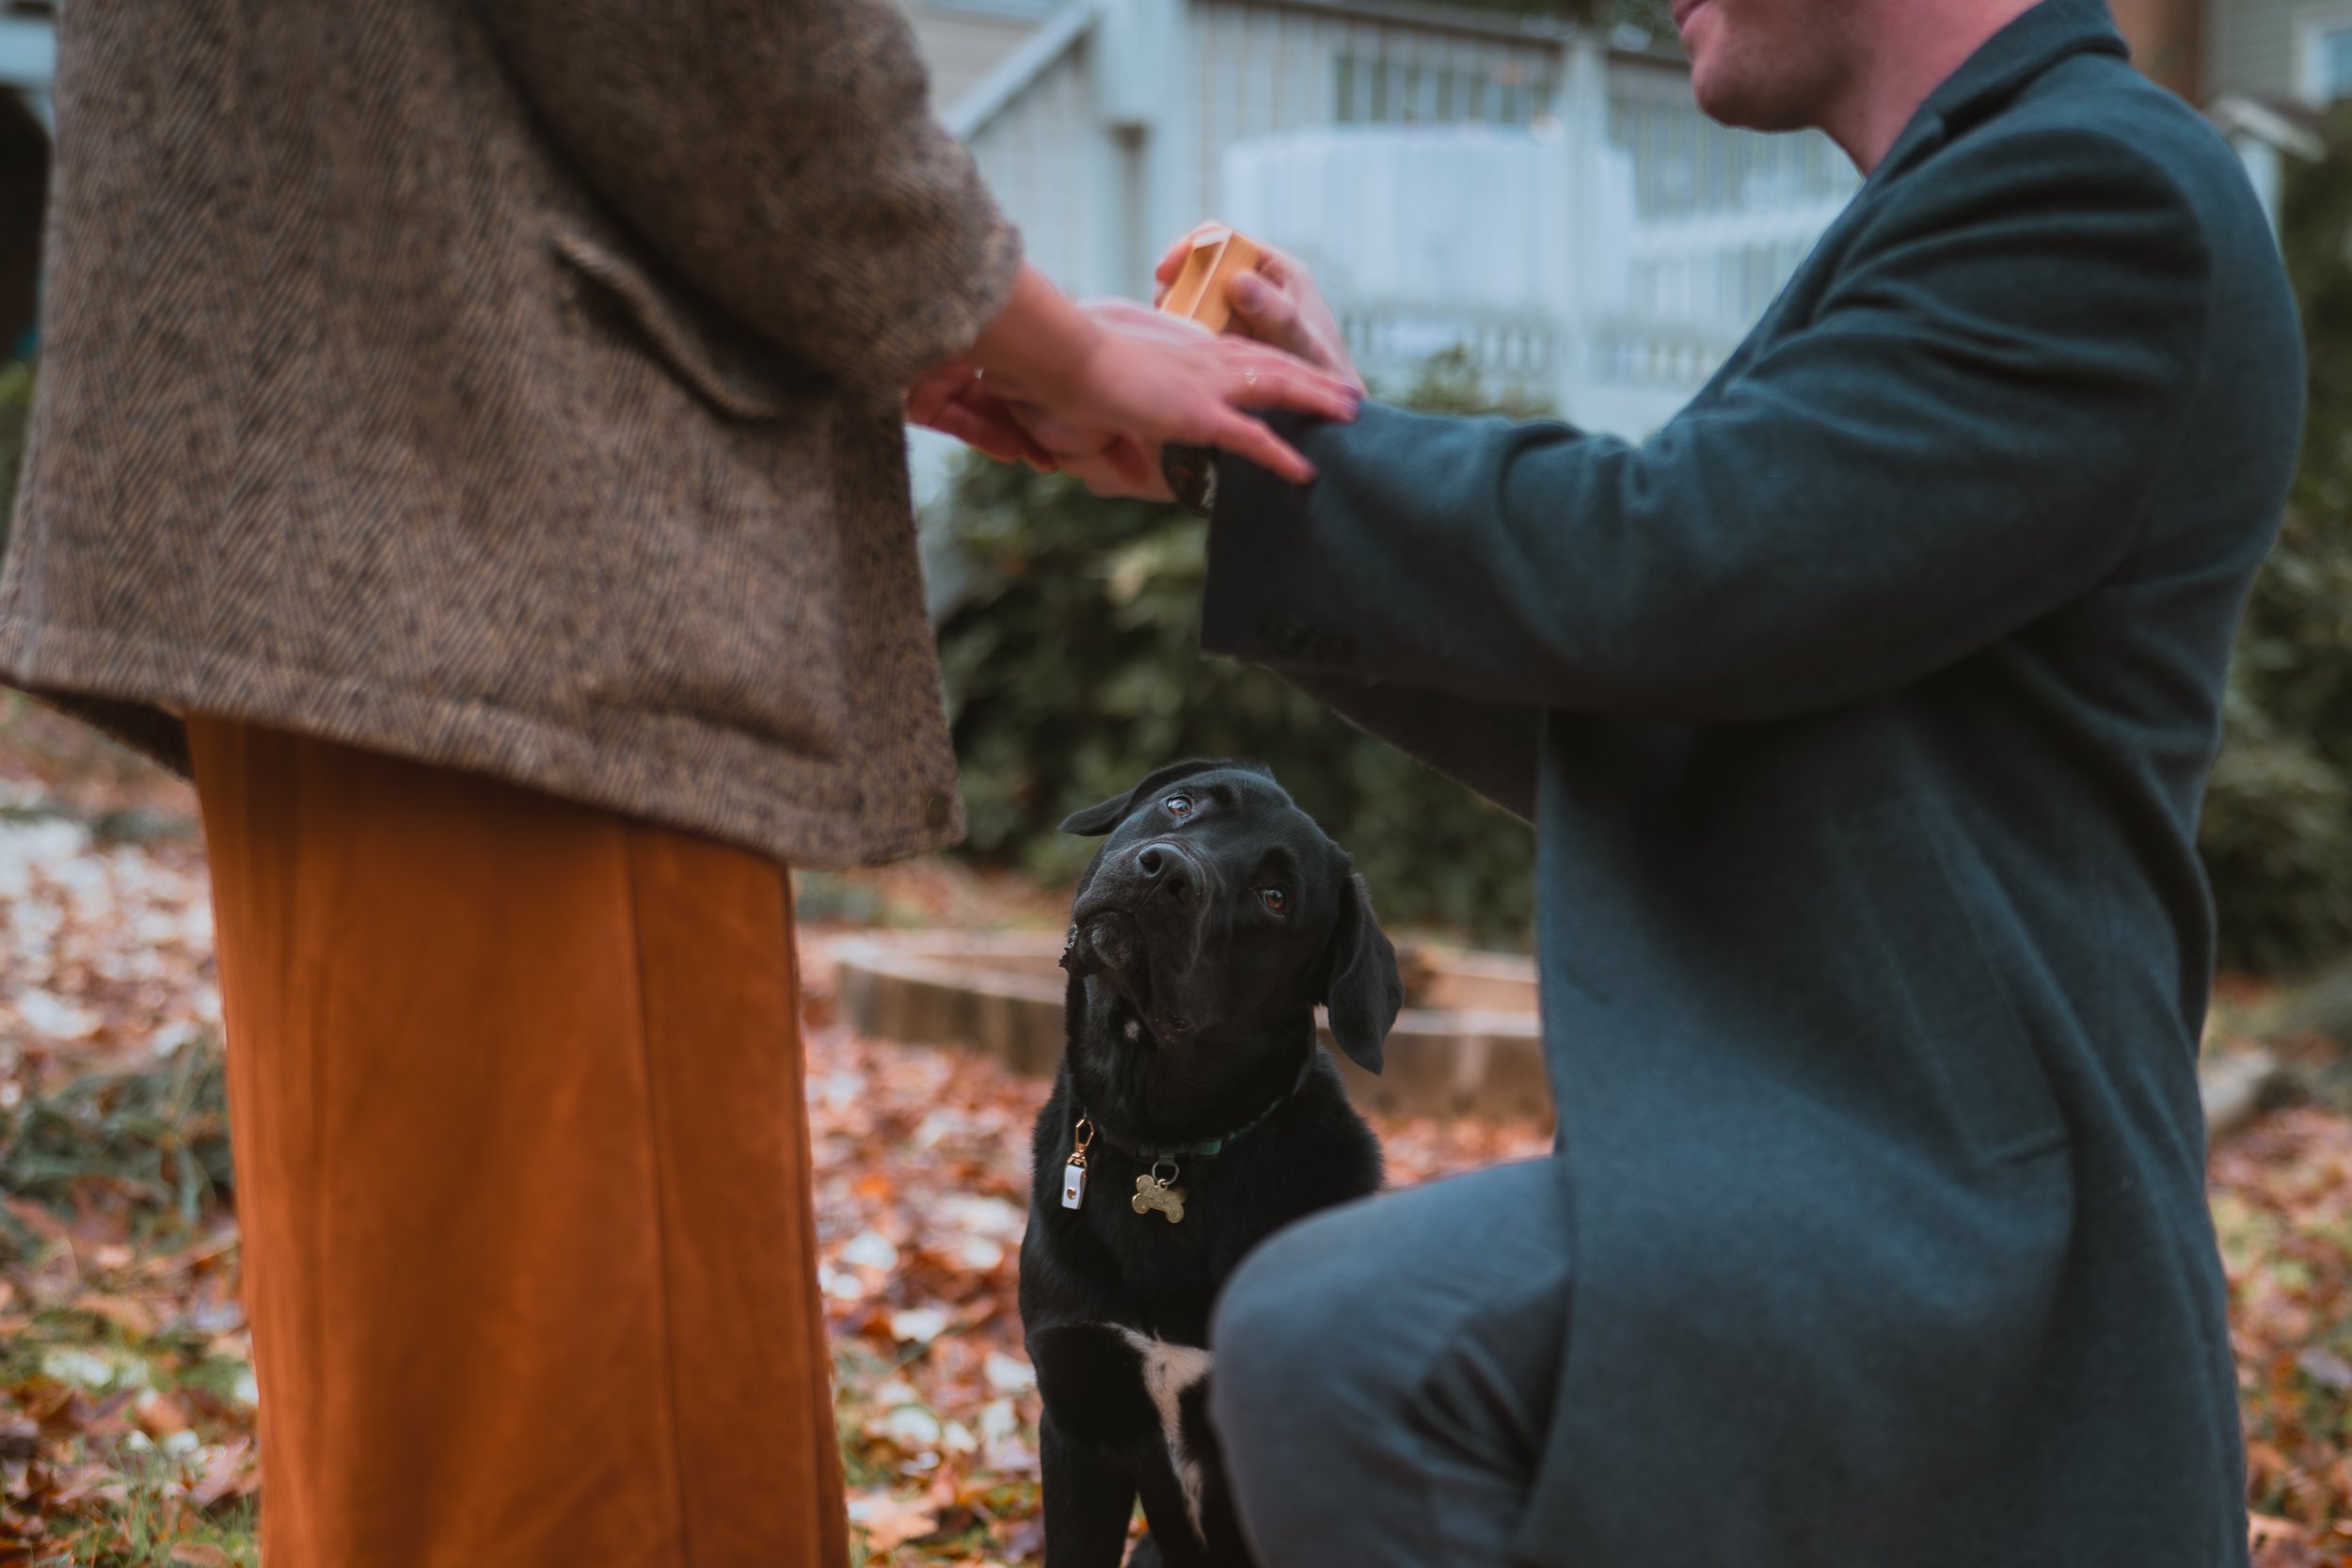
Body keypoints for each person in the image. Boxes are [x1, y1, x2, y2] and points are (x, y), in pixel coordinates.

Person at [0, 4, 1357, 1566]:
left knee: (419, 1409)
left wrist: (908, 322)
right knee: (585, 1450)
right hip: (526, 547)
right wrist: (1054, 337)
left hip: (362, 484)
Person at [1014, 0, 2306, 1560]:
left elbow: (1684, 566)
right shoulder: (1988, 199)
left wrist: (1244, 453)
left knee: (1341, 1342)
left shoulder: (2096, 194)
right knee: (1346, 1343)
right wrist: (1298, 455)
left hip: (1945, 1185)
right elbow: (1666, 703)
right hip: (1829, 1163)